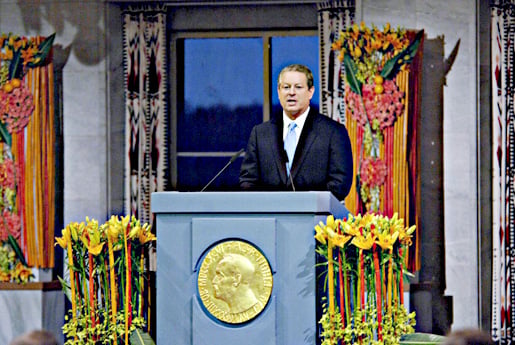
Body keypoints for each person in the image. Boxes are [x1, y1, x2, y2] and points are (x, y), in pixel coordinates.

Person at [239, 64, 353, 201]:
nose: (291, 92)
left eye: (298, 87)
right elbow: (248, 181)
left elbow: (340, 184)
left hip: (315, 219)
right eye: (286, 87)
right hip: (269, 217)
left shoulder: (333, 132)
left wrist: (302, 205)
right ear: (279, 91)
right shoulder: (261, 133)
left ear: (310, 92)